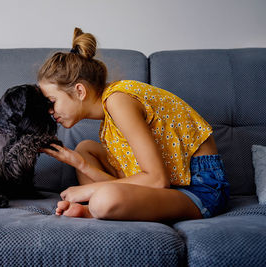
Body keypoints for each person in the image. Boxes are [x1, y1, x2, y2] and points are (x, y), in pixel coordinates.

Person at [38, 27, 230, 221]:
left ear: (80, 91)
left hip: (199, 189)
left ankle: (92, 210)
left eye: (52, 102)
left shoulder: (118, 101)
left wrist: (87, 191)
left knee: (103, 199)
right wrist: (79, 163)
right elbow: (127, 184)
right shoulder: (109, 121)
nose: (50, 111)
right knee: (85, 149)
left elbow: (157, 180)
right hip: (170, 185)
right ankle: (95, 209)